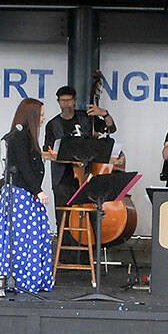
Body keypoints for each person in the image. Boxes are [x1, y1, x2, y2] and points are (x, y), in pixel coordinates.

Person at [0, 97, 54, 292]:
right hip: (21, 195)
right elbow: (24, 167)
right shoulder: (19, 137)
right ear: (32, 116)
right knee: (20, 240)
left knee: (29, 238)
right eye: (41, 114)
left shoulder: (28, 137)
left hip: (26, 195)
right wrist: (38, 191)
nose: (43, 118)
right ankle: (19, 279)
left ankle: (26, 278)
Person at [43, 85, 116, 236]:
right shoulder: (52, 124)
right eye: (62, 101)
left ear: (74, 101)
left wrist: (104, 114)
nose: (66, 104)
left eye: (69, 100)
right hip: (62, 178)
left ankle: (86, 254)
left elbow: (111, 128)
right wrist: (69, 159)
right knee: (63, 217)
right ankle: (64, 255)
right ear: (58, 102)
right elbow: (48, 150)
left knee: (90, 215)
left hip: (88, 175)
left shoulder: (87, 118)